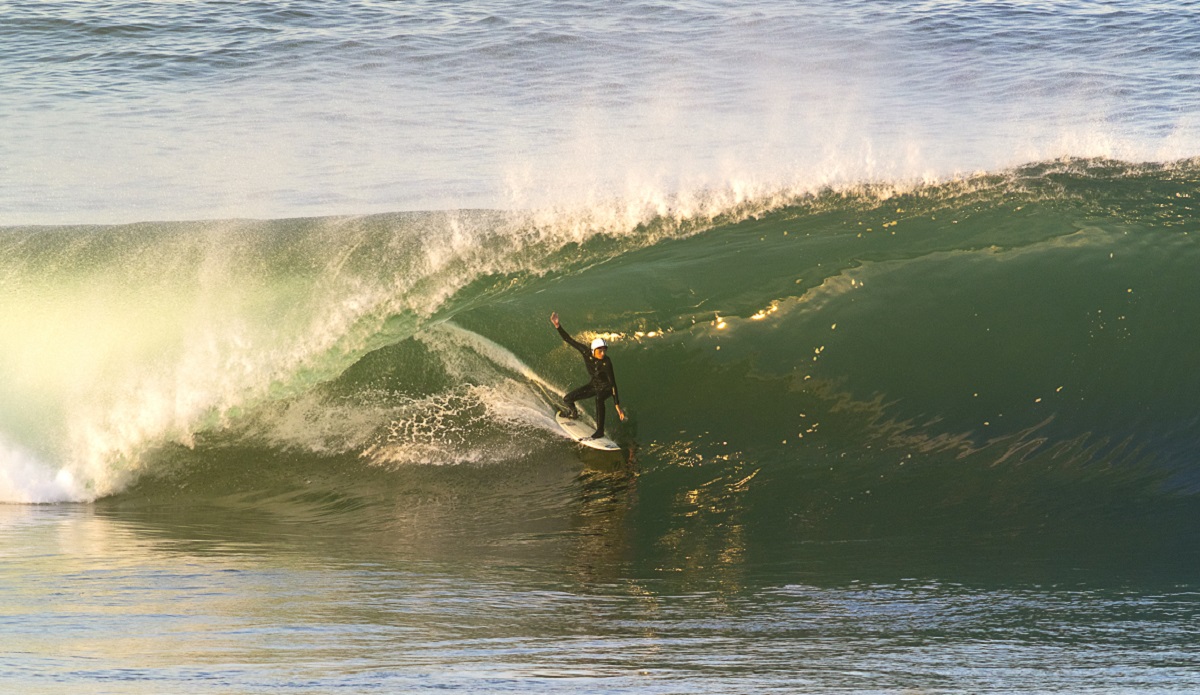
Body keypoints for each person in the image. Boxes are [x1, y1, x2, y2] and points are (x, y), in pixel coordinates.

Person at [551, 311, 627, 439]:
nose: (603, 353)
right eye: (600, 351)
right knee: (567, 399)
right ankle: (574, 413)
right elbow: (569, 340)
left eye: (604, 350)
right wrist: (558, 326)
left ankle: (600, 431)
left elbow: (613, 384)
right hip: (594, 385)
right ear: (593, 350)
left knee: (599, 399)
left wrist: (617, 406)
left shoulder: (606, 362)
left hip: (606, 388)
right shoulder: (586, 352)